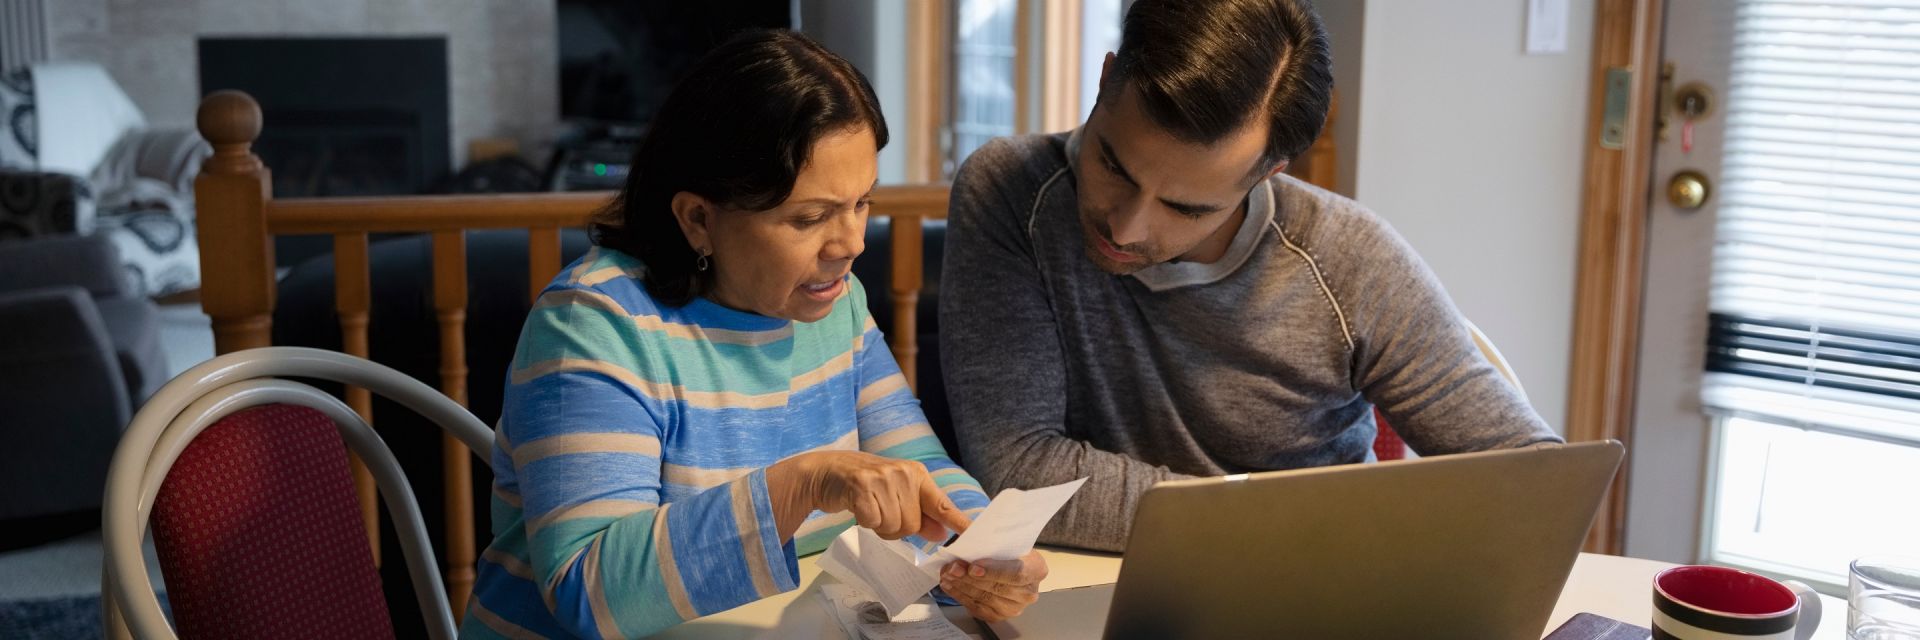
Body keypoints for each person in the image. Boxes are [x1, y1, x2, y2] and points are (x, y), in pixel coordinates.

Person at [464, 30, 1044, 639]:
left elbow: (918, 464)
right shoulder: (595, 322)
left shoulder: (835, 304)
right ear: (698, 218)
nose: (851, 244)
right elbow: (588, 594)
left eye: (861, 203)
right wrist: (806, 482)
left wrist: (985, 549)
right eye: (809, 217)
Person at [939, 0, 1563, 553]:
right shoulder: (1011, 194)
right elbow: (1018, 468)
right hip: (1096, 584)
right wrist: (1299, 520)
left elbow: (1537, 483)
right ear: (1105, 81)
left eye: (1186, 207)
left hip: (1313, 587)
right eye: (1115, 166)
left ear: (1267, 173)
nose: (1126, 228)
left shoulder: (1349, 259)